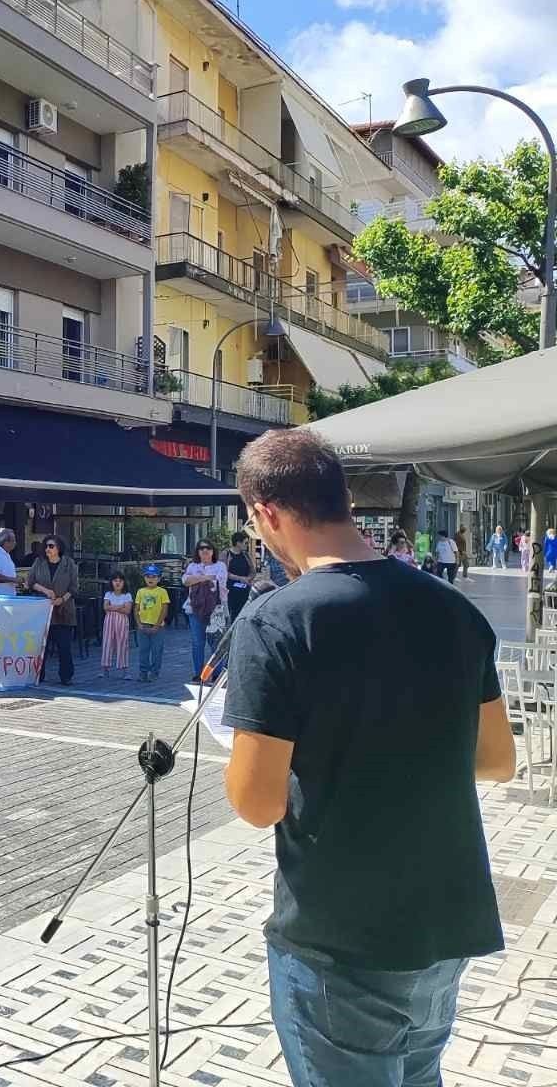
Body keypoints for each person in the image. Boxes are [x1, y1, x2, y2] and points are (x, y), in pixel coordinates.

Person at [221, 428, 515, 1087]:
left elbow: (257, 802)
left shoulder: (278, 621)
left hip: (341, 936)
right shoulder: (453, 610)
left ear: (266, 513)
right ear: (345, 500)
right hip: (445, 919)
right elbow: (498, 759)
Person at [27, 536, 78, 685]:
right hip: (42, 611)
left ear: (58, 548)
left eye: (51, 546)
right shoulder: (39, 562)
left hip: (63, 610)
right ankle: (38, 674)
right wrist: (45, 590)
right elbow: (31, 582)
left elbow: (74, 588)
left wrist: (62, 599)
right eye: (46, 546)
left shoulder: (69, 564)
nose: (47, 549)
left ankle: (66, 676)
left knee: (64, 646)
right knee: (40, 645)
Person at [181, 540, 227, 678]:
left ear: (213, 551)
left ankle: (216, 674)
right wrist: (206, 577)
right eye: (201, 548)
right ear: (197, 551)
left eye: (208, 548)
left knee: (216, 643)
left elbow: (219, 581)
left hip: (216, 610)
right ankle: (198, 674)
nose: (205, 551)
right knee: (197, 643)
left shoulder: (220, 565)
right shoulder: (192, 565)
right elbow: (185, 581)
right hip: (194, 608)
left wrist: (197, 578)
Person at [133, 565, 169, 683]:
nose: (151, 579)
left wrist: (157, 626)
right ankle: (143, 673)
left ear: (159, 578)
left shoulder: (162, 592)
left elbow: (164, 609)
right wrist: (138, 623)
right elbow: (136, 608)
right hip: (143, 625)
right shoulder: (140, 591)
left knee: (156, 650)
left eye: (154, 576)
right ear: (144, 578)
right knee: (143, 650)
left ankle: (154, 672)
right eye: (148, 576)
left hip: (157, 627)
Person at [100, 570, 131, 679]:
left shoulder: (127, 595)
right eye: (115, 580)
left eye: (120, 581)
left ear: (124, 582)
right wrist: (120, 606)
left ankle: (125, 671)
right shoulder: (108, 594)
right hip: (109, 621)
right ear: (111, 582)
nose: (117, 583)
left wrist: (113, 607)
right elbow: (105, 607)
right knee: (107, 644)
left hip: (122, 621)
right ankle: (105, 669)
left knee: (122, 644)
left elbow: (127, 610)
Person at [225, 531, 255, 619]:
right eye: (245, 543)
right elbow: (223, 572)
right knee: (232, 613)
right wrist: (240, 578)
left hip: (245, 590)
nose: (247, 545)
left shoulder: (245, 555)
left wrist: (248, 578)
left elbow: (253, 571)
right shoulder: (226, 554)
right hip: (230, 591)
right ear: (238, 543)